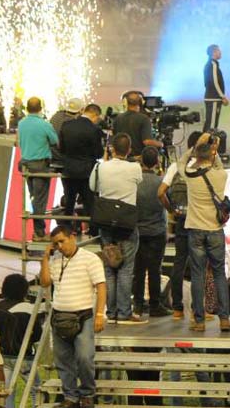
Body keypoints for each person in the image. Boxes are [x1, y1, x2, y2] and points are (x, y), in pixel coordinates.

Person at [40, 224, 106, 408]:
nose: (59, 246)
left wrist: (100, 313)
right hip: (59, 315)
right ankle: (70, 396)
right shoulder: (55, 259)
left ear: (73, 237)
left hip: (83, 315)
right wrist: (45, 258)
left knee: (84, 357)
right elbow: (45, 282)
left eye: (62, 241)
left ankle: (87, 393)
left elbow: (101, 286)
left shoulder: (90, 259)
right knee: (62, 358)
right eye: (56, 243)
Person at [89, 133, 145, 325]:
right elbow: (139, 182)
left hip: (105, 223)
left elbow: (92, 186)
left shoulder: (100, 167)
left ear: (111, 148)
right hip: (127, 223)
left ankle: (110, 311)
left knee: (109, 266)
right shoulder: (135, 167)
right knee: (126, 268)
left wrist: (104, 161)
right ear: (129, 150)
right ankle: (124, 312)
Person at [157, 132, 211, 320]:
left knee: (179, 263)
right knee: (199, 265)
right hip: (200, 220)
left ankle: (178, 308)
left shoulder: (175, 167)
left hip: (181, 220)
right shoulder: (205, 167)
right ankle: (199, 309)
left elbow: (161, 192)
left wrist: (171, 210)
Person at [180, 133, 230, 332]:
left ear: (196, 155)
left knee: (198, 275)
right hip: (215, 230)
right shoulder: (220, 175)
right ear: (212, 154)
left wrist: (196, 147)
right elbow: (216, 162)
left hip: (195, 230)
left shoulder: (189, 174)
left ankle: (199, 320)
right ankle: (224, 319)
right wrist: (212, 147)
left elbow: (181, 162)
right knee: (219, 274)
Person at [0, 274, 43, 408]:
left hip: (4, 356)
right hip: (26, 356)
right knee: (36, 390)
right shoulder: (29, 308)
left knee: (7, 393)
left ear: (5, 288)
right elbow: (38, 334)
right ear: (24, 289)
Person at [133, 147, 168, 318]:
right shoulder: (160, 182)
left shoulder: (134, 182)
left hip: (138, 231)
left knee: (138, 270)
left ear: (141, 162)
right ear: (157, 162)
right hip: (156, 231)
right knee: (155, 269)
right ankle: (155, 304)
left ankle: (138, 304)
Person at [58, 103, 104, 234]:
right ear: (95, 115)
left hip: (69, 170)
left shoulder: (66, 125)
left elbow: (62, 148)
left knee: (69, 201)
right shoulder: (94, 129)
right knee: (89, 202)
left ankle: (66, 229)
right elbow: (98, 153)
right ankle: (93, 231)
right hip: (86, 172)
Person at [17, 97, 59, 241]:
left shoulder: (21, 123)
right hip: (40, 165)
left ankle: (38, 230)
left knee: (34, 197)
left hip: (26, 165)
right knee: (39, 200)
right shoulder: (44, 124)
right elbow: (55, 141)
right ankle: (39, 232)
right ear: (41, 108)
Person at [112, 92, 161, 159]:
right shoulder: (144, 119)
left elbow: (114, 139)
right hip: (138, 159)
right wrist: (160, 144)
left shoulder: (117, 118)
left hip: (121, 159)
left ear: (126, 102)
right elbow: (147, 141)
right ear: (141, 103)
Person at [203, 44, 228, 132]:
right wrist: (222, 96)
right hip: (213, 98)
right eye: (219, 50)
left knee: (211, 123)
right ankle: (206, 145)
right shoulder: (212, 64)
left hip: (213, 98)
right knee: (212, 127)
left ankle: (204, 144)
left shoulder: (213, 64)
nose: (220, 52)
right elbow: (214, 82)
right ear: (214, 52)